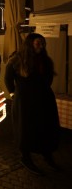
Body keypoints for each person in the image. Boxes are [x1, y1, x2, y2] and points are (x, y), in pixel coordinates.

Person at [4, 33, 61, 175]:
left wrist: (42, 91)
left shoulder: (45, 60)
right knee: (25, 128)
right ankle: (26, 157)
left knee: (45, 126)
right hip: (24, 101)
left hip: (43, 99)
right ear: (30, 44)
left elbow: (48, 78)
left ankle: (47, 154)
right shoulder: (17, 60)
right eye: (38, 43)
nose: (41, 46)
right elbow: (8, 78)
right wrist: (13, 94)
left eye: (43, 44)